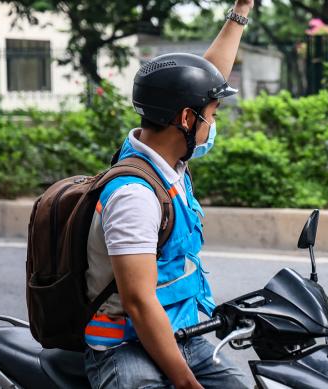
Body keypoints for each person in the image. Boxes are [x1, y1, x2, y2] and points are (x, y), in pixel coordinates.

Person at [82, 2, 253, 388]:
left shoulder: (165, 154)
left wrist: (241, 9)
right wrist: (188, 384)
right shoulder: (134, 196)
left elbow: (204, 82)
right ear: (188, 120)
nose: (215, 121)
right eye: (213, 114)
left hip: (180, 335)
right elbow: (140, 305)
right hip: (123, 346)